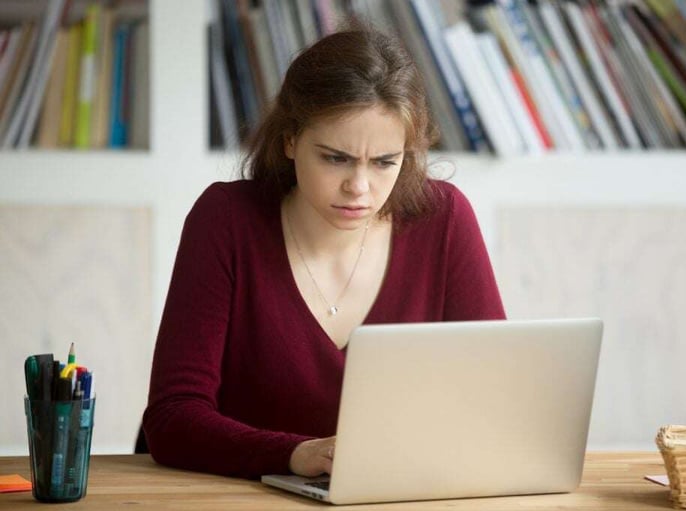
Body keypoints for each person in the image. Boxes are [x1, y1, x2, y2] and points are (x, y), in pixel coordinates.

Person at [141, 26, 505, 480]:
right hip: (239, 497)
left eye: (384, 162)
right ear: (290, 140)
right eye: (335, 158)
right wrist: (295, 455)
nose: (359, 187)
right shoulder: (226, 219)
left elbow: (494, 399)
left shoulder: (443, 219)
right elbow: (173, 418)